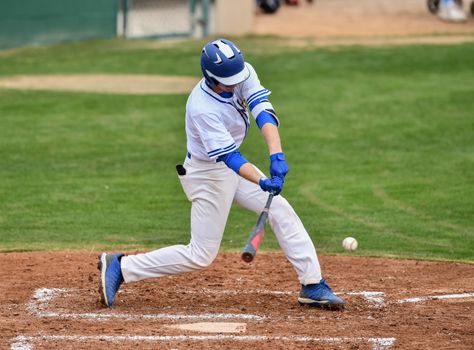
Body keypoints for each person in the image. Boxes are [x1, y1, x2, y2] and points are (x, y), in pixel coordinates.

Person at [98, 38, 344, 311]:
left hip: (233, 169)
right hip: (208, 174)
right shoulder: (202, 107)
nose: (234, 84)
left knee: (281, 210)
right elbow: (230, 157)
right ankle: (121, 266)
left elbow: (262, 110)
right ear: (210, 76)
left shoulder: (241, 72)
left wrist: (277, 155)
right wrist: (262, 181)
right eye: (227, 81)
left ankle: (312, 284)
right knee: (200, 255)